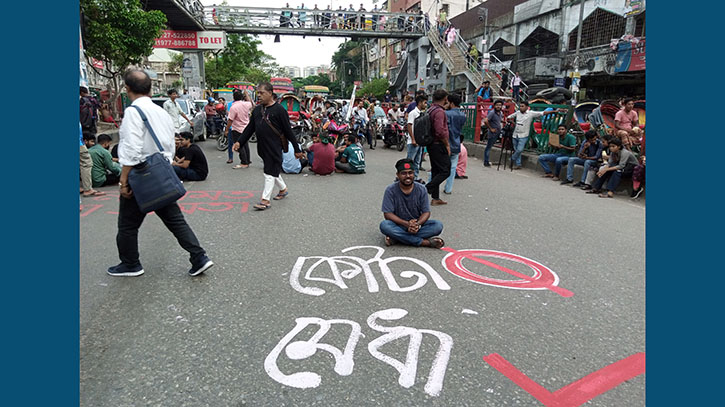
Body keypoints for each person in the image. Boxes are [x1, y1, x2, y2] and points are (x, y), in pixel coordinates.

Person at [110, 69, 213, 277]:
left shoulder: (133, 111)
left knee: (128, 225)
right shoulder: (161, 112)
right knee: (175, 220)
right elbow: (169, 145)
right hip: (161, 173)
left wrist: (123, 180)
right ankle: (199, 256)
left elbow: (131, 148)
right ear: (149, 88)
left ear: (127, 89)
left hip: (140, 175)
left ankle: (130, 264)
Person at [233, 82, 304, 210]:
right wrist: (240, 141)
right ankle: (283, 189)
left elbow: (288, 131)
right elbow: (250, 128)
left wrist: (297, 149)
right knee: (273, 170)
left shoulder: (279, 110)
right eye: (258, 93)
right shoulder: (257, 110)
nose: (259, 96)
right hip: (262, 147)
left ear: (270, 93)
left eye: (262, 93)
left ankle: (265, 200)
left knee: (268, 172)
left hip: (275, 147)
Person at [379, 158, 445, 248]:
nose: (408, 176)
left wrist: (417, 224)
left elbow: (426, 212)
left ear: (414, 174)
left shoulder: (422, 189)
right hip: (399, 225)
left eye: (410, 173)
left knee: (437, 225)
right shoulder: (390, 190)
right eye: (403, 173)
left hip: (417, 226)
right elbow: (387, 214)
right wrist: (406, 224)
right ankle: (424, 242)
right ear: (397, 175)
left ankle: (397, 238)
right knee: (385, 226)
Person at [425, 89, 452, 206]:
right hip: (438, 144)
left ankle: (435, 198)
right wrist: (447, 144)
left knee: (436, 170)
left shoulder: (431, 109)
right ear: (445, 98)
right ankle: (426, 189)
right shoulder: (440, 112)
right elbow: (440, 131)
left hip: (431, 144)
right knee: (446, 170)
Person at [506, 101, 548, 169]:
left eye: (522, 106)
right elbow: (509, 117)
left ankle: (512, 159)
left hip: (524, 134)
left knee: (519, 150)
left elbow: (542, 113)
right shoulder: (518, 113)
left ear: (526, 107)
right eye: (520, 106)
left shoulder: (531, 113)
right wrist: (513, 122)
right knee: (516, 150)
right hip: (515, 134)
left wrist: (554, 111)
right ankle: (518, 164)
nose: (521, 108)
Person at [443, 93, 466, 195]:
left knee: (438, 166)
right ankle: (448, 188)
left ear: (451, 103)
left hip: (446, 143)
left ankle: (431, 185)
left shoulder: (446, 114)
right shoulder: (463, 115)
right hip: (456, 143)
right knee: (452, 168)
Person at [226, 89, 254, 168]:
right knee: (245, 145)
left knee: (239, 145)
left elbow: (230, 120)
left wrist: (227, 130)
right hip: (246, 128)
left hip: (237, 128)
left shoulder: (233, 107)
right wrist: (246, 94)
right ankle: (247, 160)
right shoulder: (246, 104)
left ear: (233, 98)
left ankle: (244, 162)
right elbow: (250, 102)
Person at [406, 94, 427, 181]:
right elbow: (409, 126)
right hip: (412, 142)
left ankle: (415, 178)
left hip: (420, 142)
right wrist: (413, 139)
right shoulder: (413, 113)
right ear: (420, 103)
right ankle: (406, 177)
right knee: (410, 161)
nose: (426, 105)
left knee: (417, 162)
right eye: (425, 103)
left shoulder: (422, 113)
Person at [482, 99, 504, 167]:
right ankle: (486, 161)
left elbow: (499, 121)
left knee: (491, 146)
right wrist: (491, 128)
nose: (498, 106)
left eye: (500, 105)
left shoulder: (500, 113)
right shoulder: (492, 112)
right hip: (492, 133)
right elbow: (486, 120)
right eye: (497, 105)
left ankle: (487, 160)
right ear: (494, 106)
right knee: (488, 147)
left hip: (498, 131)